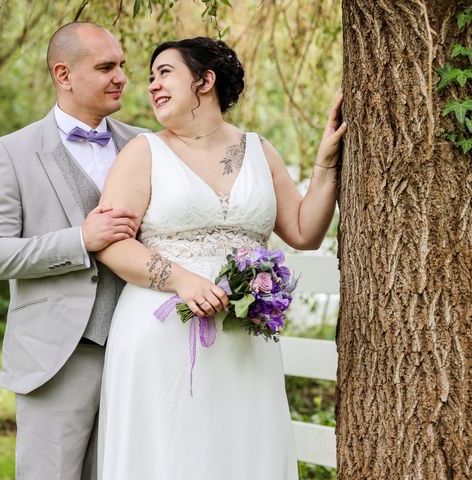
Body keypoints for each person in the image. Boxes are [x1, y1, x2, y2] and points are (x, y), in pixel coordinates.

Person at [94, 37, 346, 479]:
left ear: (205, 81)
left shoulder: (259, 149)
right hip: (161, 334)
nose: (152, 86)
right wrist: (181, 280)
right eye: (150, 78)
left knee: (244, 450)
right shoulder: (143, 152)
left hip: (243, 342)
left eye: (165, 73)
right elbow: (112, 243)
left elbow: (305, 232)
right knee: (171, 452)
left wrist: (325, 166)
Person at [0, 22, 148, 479]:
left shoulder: (146, 146)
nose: (122, 77)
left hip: (141, 349)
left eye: (122, 66)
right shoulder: (10, 152)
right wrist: (79, 242)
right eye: (106, 67)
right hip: (56, 356)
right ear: (64, 75)